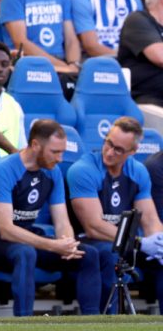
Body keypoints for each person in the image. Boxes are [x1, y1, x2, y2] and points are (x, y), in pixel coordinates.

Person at [0, 119, 102, 317]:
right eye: (55, 152)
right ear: (35, 145)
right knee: (25, 253)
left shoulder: (53, 172)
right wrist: (52, 246)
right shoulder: (3, 169)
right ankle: (25, 321)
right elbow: (6, 229)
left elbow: (62, 221)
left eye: (63, 152)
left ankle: (93, 321)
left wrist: (67, 244)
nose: (60, 158)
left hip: (27, 237)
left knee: (87, 254)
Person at [68, 116, 163, 313]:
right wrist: (138, 242)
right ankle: (108, 321)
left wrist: (159, 243)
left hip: (126, 241)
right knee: (110, 255)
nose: (109, 152)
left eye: (118, 149)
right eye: (108, 143)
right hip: (90, 240)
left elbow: (151, 221)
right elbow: (93, 226)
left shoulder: (137, 172)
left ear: (133, 151)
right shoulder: (83, 170)